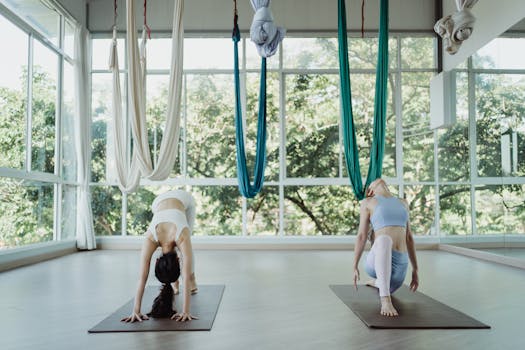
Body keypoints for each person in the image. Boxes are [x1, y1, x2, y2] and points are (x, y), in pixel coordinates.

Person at [121, 189, 199, 323]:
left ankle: (193, 278)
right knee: (187, 251)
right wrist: (135, 310)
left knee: (188, 260)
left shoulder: (175, 235)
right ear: (157, 261)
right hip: (158, 201)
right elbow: (142, 278)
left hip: (183, 199)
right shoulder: (153, 237)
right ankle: (175, 282)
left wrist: (136, 310)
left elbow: (142, 278)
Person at [352, 178, 419, 317]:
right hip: (375, 261)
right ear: (370, 189)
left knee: (388, 284)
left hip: (399, 268)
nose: (379, 179)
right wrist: (354, 266)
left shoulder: (403, 202)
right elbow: (361, 236)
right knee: (383, 240)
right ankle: (385, 300)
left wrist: (415, 270)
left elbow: (409, 237)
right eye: (374, 181)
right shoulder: (368, 202)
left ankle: (377, 282)